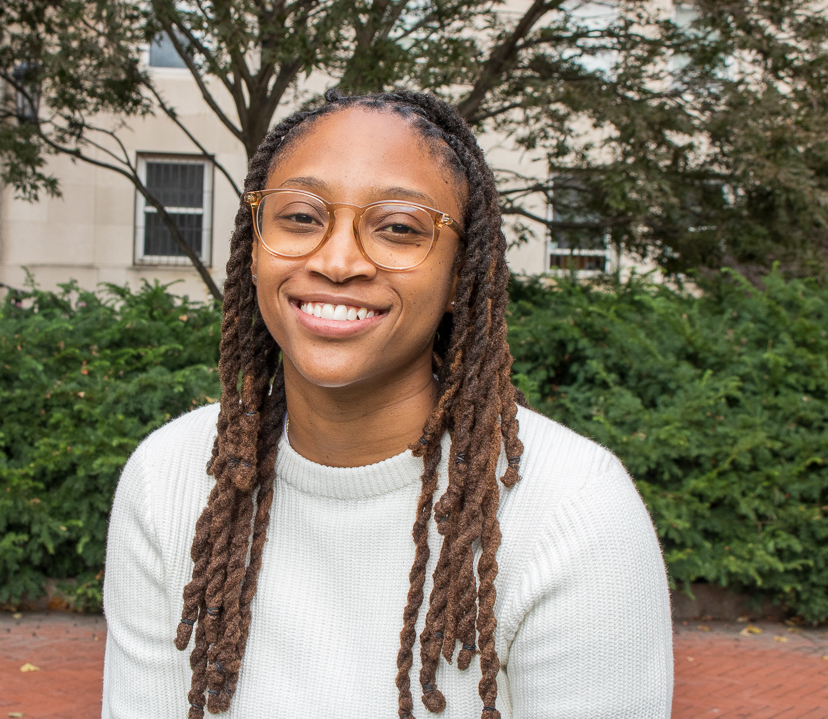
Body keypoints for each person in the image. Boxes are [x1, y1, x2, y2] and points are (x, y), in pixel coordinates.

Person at [101, 90, 674, 719]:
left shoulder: (573, 511)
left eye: (399, 228)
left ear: (460, 275)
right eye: (299, 217)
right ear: (255, 240)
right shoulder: (169, 479)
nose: (339, 260)